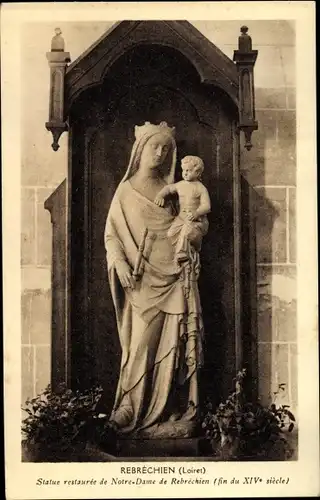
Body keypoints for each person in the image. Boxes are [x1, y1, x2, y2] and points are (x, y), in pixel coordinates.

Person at [104, 121, 205, 438]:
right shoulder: (124, 192)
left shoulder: (175, 191)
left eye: (166, 149)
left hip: (175, 276)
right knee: (140, 346)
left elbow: (197, 224)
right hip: (142, 280)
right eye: (154, 147)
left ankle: (169, 410)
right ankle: (130, 408)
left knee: (173, 347)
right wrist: (119, 261)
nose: (160, 154)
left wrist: (194, 233)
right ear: (140, 149)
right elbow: (112, 235)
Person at [154, 155, 211, 266]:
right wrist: (160, 195)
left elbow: (207, 206)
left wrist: (196, 213)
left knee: (186, 232)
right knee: (171, 234)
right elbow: (168, 188)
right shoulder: (180, 185)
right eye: (184, 170)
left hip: (196, 221)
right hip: (181, 218)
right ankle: (184, 249)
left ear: (198, 173)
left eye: (188, 171)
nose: (185, 173)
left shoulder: (200, 188)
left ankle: (183, 253)